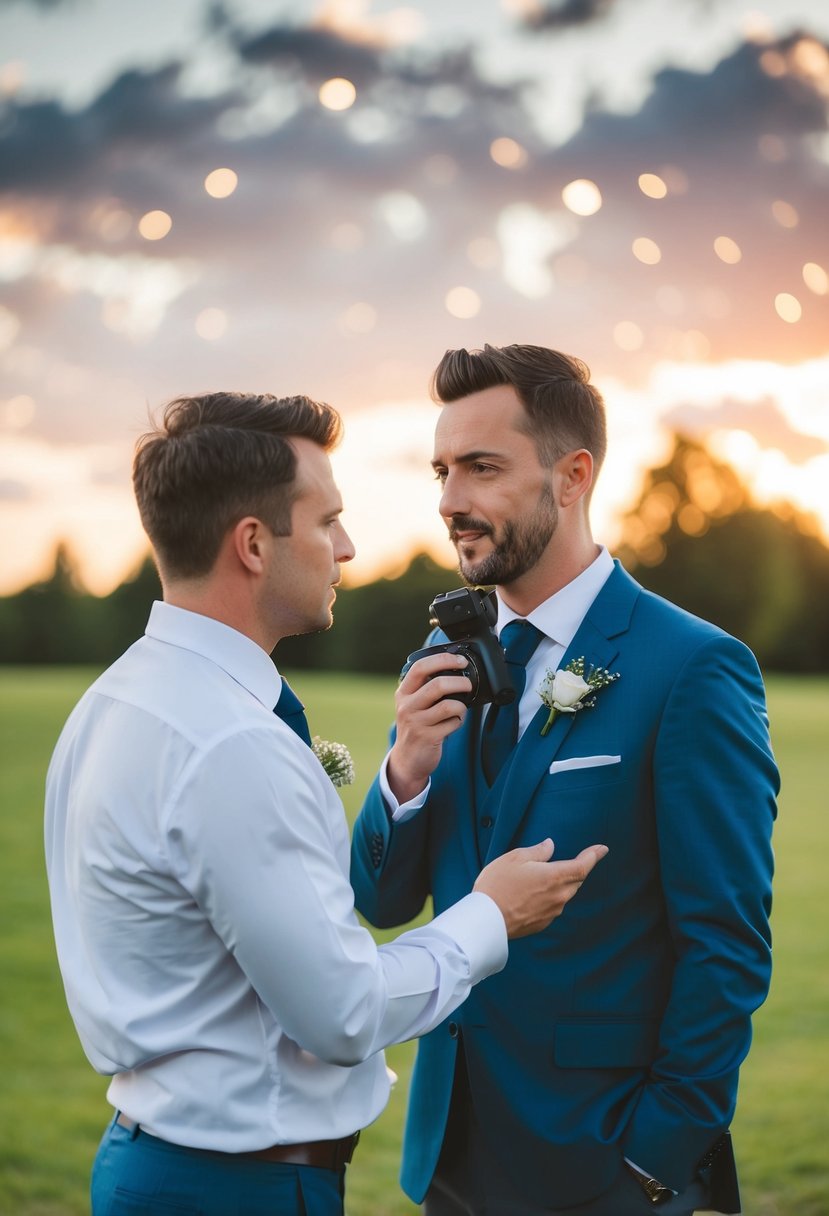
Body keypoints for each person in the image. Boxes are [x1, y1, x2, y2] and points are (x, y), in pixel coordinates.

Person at [44, 390, 608, 1216]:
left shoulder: (112, 703)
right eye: (325, 523)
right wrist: (491, 914)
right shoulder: (230, 743)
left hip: (155, 1158)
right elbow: (342, 1013)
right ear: (251, 545)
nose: (346, 549)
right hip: (241, 1187)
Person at [351, 345, 779, 1216]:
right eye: (441, 471)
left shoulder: (690, 668)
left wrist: (655, 1159)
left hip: (606, 1160)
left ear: (570, 474)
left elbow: (726, 945)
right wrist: (405, 769)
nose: (449, 502)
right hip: (449, 1154)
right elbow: (383, 902)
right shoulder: (439, 659)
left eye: (480, 468)